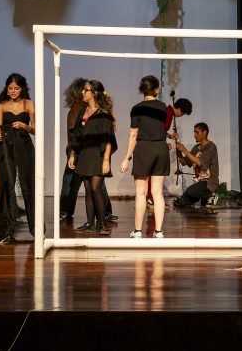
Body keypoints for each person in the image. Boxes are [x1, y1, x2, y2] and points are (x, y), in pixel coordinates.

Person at [120, 75, 170, 238]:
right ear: (156, 89)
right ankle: (159, 231)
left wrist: (127, 157)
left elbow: (134, 134)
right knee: (157, 193)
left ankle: (138, 231)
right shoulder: (162, 107)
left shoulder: (137, 108)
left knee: (141, 192)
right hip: (160, 148)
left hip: (144, 149)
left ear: (142, 89)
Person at [59, 78, 115, 224]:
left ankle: (102, 221)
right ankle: (86, 220)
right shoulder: (80, 110)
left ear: (94, 93)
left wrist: (105, 160)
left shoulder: (101, 112)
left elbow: (108, 138)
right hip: (81, 154)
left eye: (86, 90)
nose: (83, 92)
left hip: (94, 155)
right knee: (84, 188)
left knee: (96, 188)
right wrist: (73, 154)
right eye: (83, 89)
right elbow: (75, 134)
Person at [0, 73, 36, 235]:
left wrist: (25, 126)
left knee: (29, 184)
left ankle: (35, 227)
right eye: (10, 88)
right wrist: (0, 133)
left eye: (16, 88)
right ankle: (6, 228)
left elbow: (36, 129)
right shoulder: (2, 105)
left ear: (22, 88)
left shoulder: (28, 104)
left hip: (24, 146)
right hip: (7, 146)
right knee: (7, 184)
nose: (12, 91)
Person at [149, 97, 193, 205]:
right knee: (155, 174)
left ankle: (151, 198)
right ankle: (152, 199)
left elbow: (160, 129)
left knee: (153, 173)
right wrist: (163, 144)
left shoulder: (167, 111)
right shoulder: (168, 114)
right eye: (182, 114)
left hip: (154, 144)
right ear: (180, 109)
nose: (180, 116)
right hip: (155, 145)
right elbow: (156, 130)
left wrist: (169, 136)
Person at [174, 122, 220, 208]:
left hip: (209, 182)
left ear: (205, 132)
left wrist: (184, 150)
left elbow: (200, 162)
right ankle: (204, 198)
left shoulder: (211, 147)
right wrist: (179, 151)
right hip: (199, 183)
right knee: (181, 202)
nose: (195, 135)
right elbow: (184, 163)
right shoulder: (196, 148)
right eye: (194, 132)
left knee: (191, 191)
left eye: (197, 132)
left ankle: (211, 195)